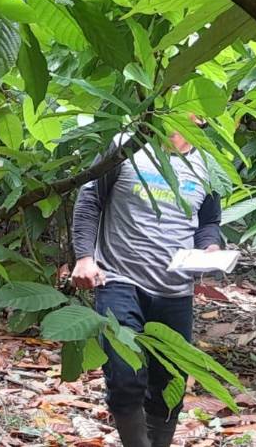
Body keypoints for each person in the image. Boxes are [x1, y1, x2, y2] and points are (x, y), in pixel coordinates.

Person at [71, 122, 222, 447]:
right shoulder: (126, 144)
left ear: (201, 118)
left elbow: (208, 221)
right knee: (124, 378)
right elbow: (90, 200)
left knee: (170, 384)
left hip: (175, 289)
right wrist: (84, 257)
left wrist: (210, 247)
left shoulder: (208, 163)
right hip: (118, 279)